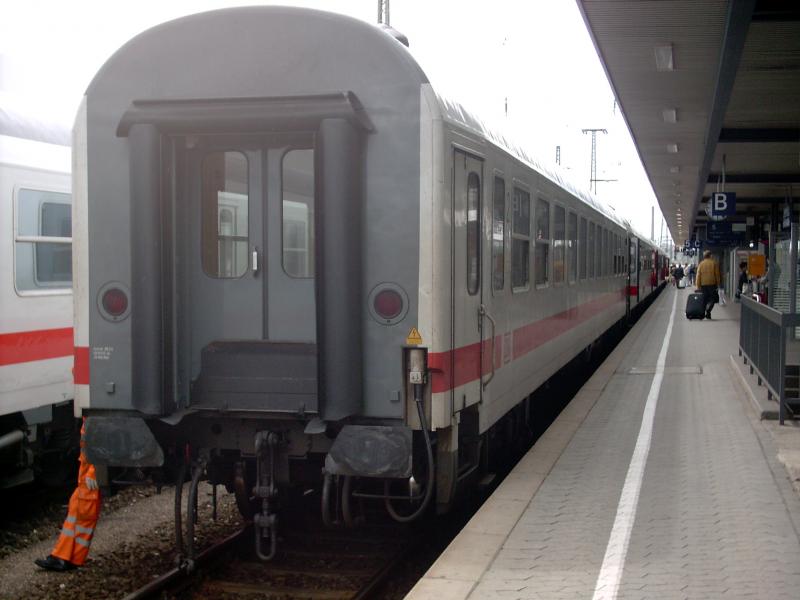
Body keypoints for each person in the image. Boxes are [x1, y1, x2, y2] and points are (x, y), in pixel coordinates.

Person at [35, 418, 101, 571]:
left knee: (84, 513)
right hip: (86, 473)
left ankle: (66, 558)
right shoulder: (92, 414)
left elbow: (101, 443)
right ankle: (64, 557)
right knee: (76, 509)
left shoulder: (96, 414)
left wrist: (95, 470)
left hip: (90, 473)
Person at [695, 250, 722, 319]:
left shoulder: (701, 264)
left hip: (703, 284)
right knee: (713, 299)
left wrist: (698, 285)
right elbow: (717, 275)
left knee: (705, 299)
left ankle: (703, 313)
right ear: (710, 255)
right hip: (712, 284)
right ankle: (708, 310)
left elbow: (698, 275)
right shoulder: (714, 263)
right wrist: (718, 284)